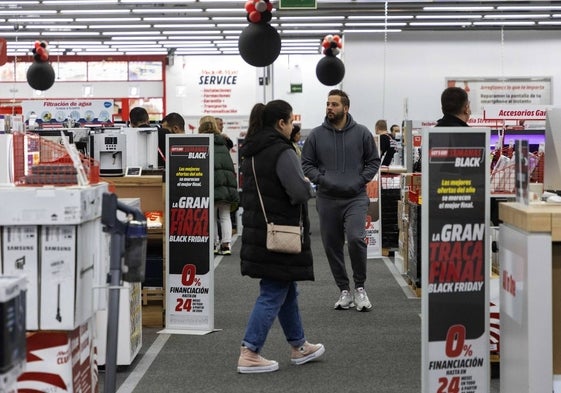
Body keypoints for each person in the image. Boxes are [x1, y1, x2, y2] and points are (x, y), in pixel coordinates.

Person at [237, 100, 324, 373]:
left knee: (286, 288)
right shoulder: (281, 151)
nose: (292, 128)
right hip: (280, 231)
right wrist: (312, 188)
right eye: (290, 122)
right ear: (280, 123)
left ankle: (299, 346)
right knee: (274, 289)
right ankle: (250, 351)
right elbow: (297, 191)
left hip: (259, 230)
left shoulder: (251, 150)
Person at [301, 89, 380, 312]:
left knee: (356, 238)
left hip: (355, 197)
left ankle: (360, 288)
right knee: (331, 246)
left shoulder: (362, 133)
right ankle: (344, 290)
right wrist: (322, 180)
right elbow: (306, 164)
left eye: (334, 104)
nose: (329, 108)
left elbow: (373, 162)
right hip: (327, 198)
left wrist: (360, 180)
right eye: (327, 103)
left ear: (346, 108)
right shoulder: (316, 135)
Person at [198, 115, 239, 255]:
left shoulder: (200, 142)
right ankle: (226, 245)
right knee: (225, 215)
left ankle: (214, 244)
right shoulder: (224, 141)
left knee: (211, 216)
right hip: (226, 183)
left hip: (211, 183)